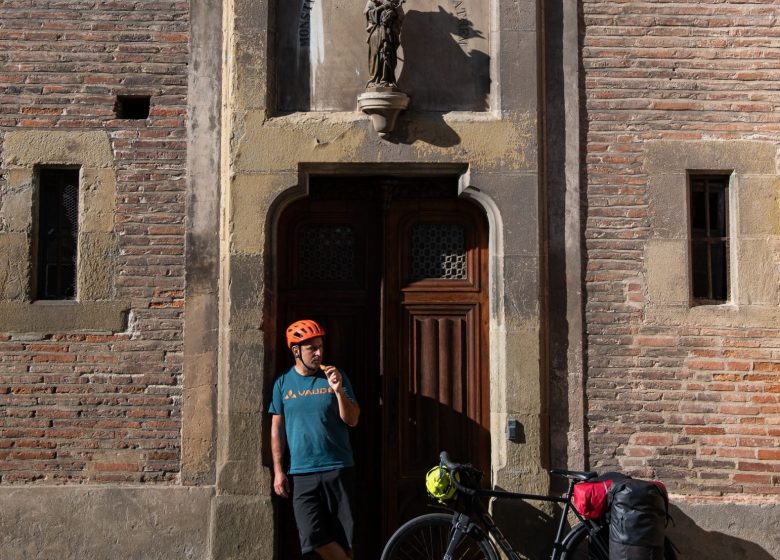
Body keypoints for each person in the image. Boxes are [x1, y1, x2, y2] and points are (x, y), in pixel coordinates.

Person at [269, 319, 360, 560]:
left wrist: (338, 390)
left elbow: (352, 420)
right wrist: (279, 471)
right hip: (302, 473)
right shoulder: (283, 383)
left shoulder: (335, 377)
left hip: (338, 468)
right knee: (311, 536)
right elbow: (277, 429)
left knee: (345, 540)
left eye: (320, 347)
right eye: (312, 348)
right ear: (296, 351)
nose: (319, 353)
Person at [364, 0, 404, 87]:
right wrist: (382, 7)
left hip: (389, 33)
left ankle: (387, 79)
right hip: (376, 32)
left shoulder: (394, 1)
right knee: (375, 55)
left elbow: (400, 18)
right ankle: (374, 80)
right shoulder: (371, 2)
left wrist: (394, 9)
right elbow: (368, 15)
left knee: (387, 54)